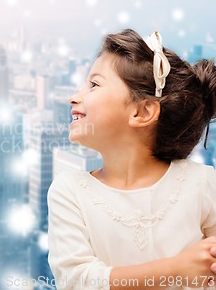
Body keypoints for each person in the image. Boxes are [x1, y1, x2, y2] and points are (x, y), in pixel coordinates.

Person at [47, 29, 216, 290]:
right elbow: (76, 281)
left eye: (94, 84)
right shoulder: (70, 192)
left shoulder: (204, 184)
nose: (74, 97)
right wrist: (176, 270)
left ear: (142, 111)